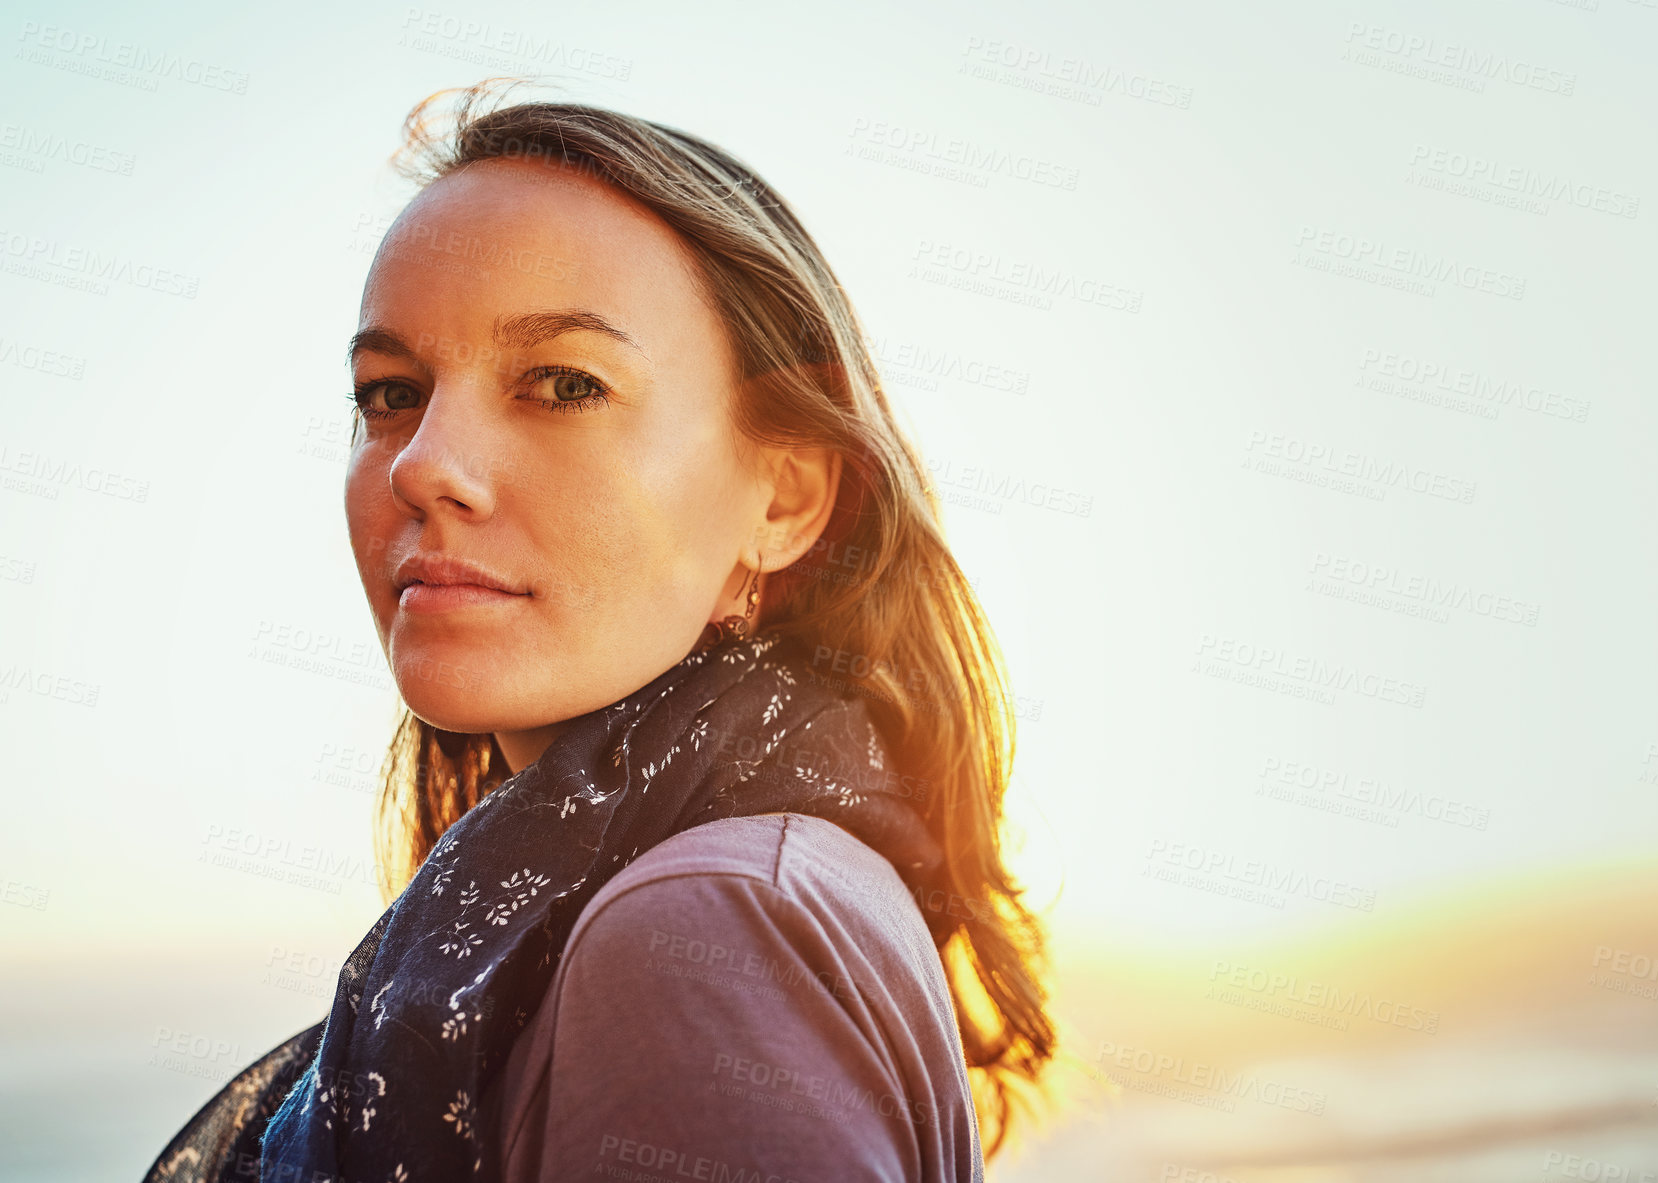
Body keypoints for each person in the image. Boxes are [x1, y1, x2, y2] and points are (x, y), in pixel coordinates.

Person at [144, 79, 1053, 1183]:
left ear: (785, 500)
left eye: (564, 382)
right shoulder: (754, 879)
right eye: (391, 391)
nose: (423, 462)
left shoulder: (708, 924)